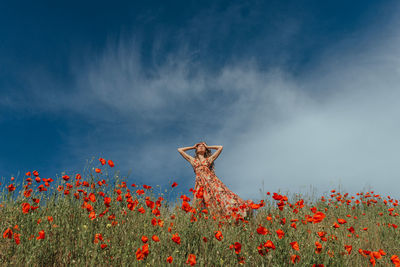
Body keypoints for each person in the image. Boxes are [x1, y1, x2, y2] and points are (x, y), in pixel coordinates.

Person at [177, 142, 254, 223]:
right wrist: (193, 147)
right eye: (199, 146)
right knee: (202, 203)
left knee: (222, 197)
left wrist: (207, 146)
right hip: (200, 183)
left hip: (212, 181)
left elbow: (220, 147)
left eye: (203, 146)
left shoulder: (208, 160)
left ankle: (233, 215)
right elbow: (180, 150)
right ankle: (206, 222)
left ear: (206, 149)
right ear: (196, 150)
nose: (201, 147)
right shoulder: (193, 161)